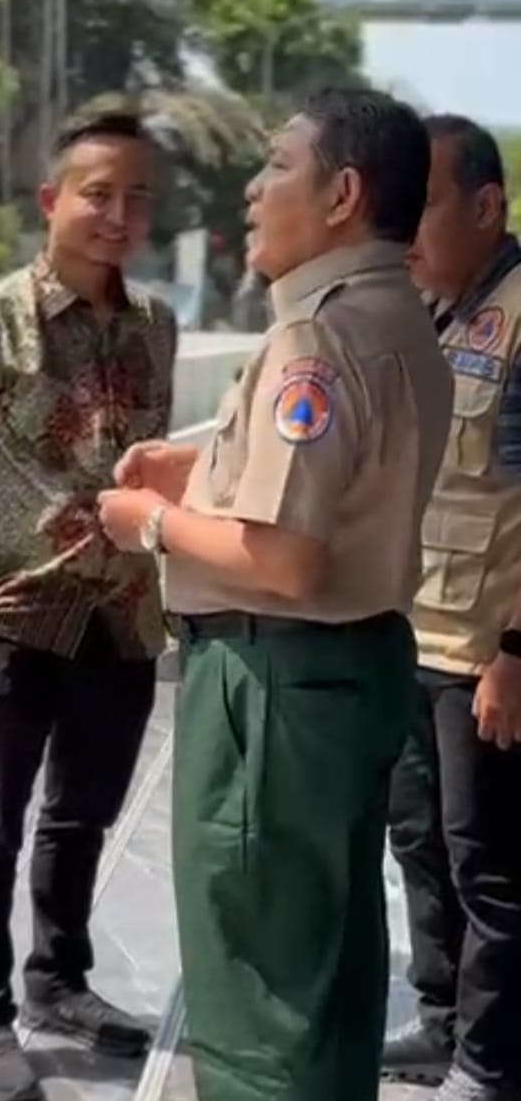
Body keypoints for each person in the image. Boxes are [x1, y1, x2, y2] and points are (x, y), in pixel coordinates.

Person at [98, 87, 454, 1101]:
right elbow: (342, 478)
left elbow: (287, 558)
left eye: (278, 166)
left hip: (273, 688)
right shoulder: (397, 315)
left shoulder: (317, 339)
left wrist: (150, 522)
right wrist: (201, 468)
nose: (253, 191)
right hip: (350, 671)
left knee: (257, 990)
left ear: (342, 194)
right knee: (327, 970)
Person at [0, 109, 177, 1101]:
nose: (118, 215)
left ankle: (59, 981)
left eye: (137, 197)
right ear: (50, 200)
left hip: (124, 613)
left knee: (83, 815)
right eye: (97, 194)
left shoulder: (154, 325)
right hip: (21, 620)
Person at [381, 115, 521, 1101]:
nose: (404, 226)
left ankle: (492, 1060)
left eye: (422, 202)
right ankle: (440, 1017)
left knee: (491, 864)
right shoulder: (434, 313)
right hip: (416, 635)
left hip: (485, 653)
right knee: (420, 843)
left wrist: (518, 648)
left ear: (485, 205)